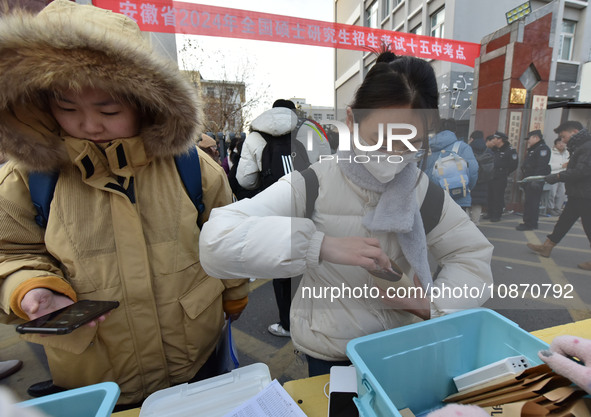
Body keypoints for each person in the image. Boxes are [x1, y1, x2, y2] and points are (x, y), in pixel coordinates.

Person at [0, 0, 248, 408]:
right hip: (96, 376)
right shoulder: (28, 178)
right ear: (41, 102)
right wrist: (31, 288)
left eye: (109, 109)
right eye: (67, 108)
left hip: (195, 360)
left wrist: (236, 294)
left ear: (145, 102)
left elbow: (228, 238)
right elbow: (10, 252)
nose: (90, 124)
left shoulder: (194, 169)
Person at [199, 51, 493, 376]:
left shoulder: (423, 190)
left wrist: (432, 306)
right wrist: (319, 246)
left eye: (412, 143)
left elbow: (471, 257)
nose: (393, 155)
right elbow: (216, 241)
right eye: (379, 139)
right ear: (352, 121)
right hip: (330, 352)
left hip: (399, 348)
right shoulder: (313, 183)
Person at [236, 99, 329, 338]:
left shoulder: (255, 137)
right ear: (293, 112)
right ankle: (318, 318)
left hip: (276, 212)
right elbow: (328, 165)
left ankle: (288, 325)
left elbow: (245, 180)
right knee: (315, 258)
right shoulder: (309, 129)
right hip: (311, 209)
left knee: (283, 266)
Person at [527, 121, 591, 271]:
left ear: (574, 132)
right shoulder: (581, 147)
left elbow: (581, 172)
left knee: (589, 227)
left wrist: (557, 177)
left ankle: (547, 246)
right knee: (564, 222)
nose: (562, 140)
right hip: (578, 194)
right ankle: (547, 246)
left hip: (586, 195)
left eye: (563, 136)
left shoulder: (587, 148)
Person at [425, 119, 479, 211]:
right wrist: (465, 187)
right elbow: (473, 170)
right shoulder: (462, 147)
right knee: (457, 225)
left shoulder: (425, 148)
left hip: (431, 197)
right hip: (458, 197)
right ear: (453, 131)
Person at [516, 130, 551, 231]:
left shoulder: (542, 149)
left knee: (533, 203)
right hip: (529, 180)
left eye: (529, 139)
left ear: (536, 137)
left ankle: (530, 224)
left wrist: (534, 181)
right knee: (529, 202)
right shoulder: (534, 149)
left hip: (534, 181)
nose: (528, 141)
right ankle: (528, 222)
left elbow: (541, 167)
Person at [486, 132, 518, 222]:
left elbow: (514, 165)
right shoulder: (495, 150)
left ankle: (496, 215)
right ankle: (490, 213)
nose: (493, 140)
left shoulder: (510, 151)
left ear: (500, 140)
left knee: (498, 196)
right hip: (491, 175)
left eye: (495, 138)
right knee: (490, 195)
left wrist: (504, 172)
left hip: (501, 176)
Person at [467, 131, 494, 226]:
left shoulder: (468, 149)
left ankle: (465, 224)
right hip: (483, 182)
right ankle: (475, 223)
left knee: (466, 202)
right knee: (477, 204)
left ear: (472, 139)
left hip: (469, 180)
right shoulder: (488, 150)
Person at [547, 137, 569, 216]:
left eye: (563, 143)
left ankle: (558, 208)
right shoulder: (551, 152)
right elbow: (549, 165)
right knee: (552, 193)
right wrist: (561, 166)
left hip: (564, 175)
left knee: (562, 193)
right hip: (554, 175)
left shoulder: (567, 153)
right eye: (559, 143)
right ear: (555, 144)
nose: (561, 144)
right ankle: (550, 208)